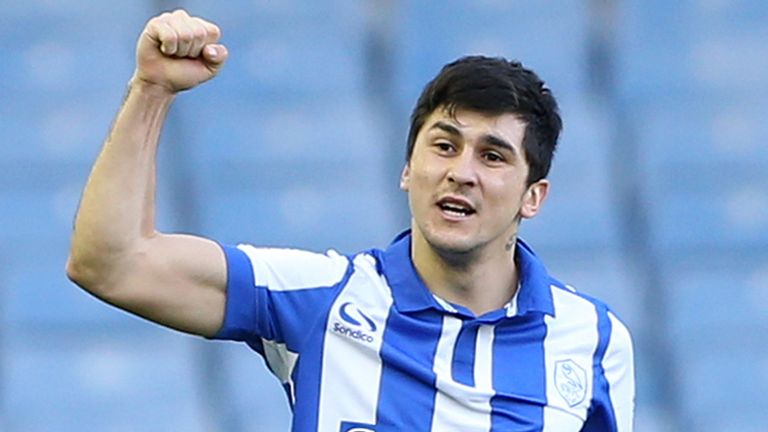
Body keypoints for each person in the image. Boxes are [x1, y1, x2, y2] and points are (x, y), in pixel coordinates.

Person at [67, 9, 634, 432]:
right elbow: (111, 263)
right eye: (444, 145)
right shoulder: (319, 298)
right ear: (408, 168)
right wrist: (152, 90)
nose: (461, 172)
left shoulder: (594, 341)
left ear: (532, 197)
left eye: (492, 156)